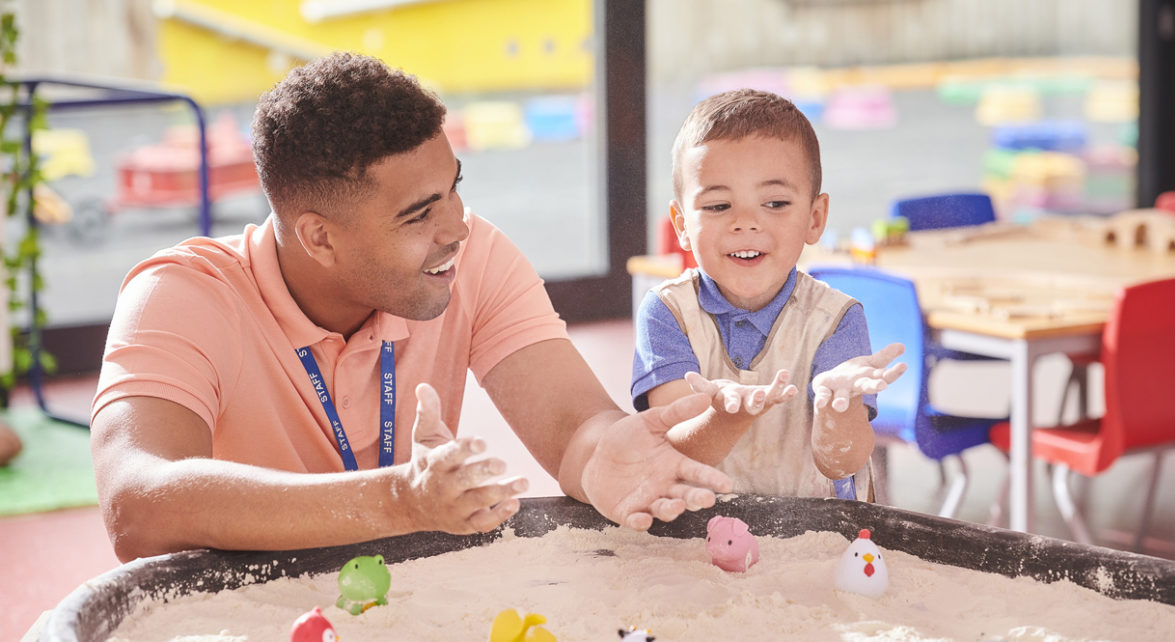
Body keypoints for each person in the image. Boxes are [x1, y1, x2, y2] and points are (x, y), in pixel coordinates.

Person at [90, 52, 731, 563]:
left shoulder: (473, 256)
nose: (455, 227)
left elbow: (575, 431)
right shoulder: (180, 295)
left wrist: (605, 454)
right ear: (319, 237)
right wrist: (400, 499)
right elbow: (137, 505)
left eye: (453, 189)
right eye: (418, 213)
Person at [631, 89, 907, 500]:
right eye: (719, 206)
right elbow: (675, 445)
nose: (746, 223)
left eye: (775, 203)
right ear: (681, 224)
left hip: (819, 541)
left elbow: (840, 463)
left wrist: (837, 407)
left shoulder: (835, 320)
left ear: (815, 219)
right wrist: (726, 416)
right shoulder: (668, 313)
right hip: (696, 540)